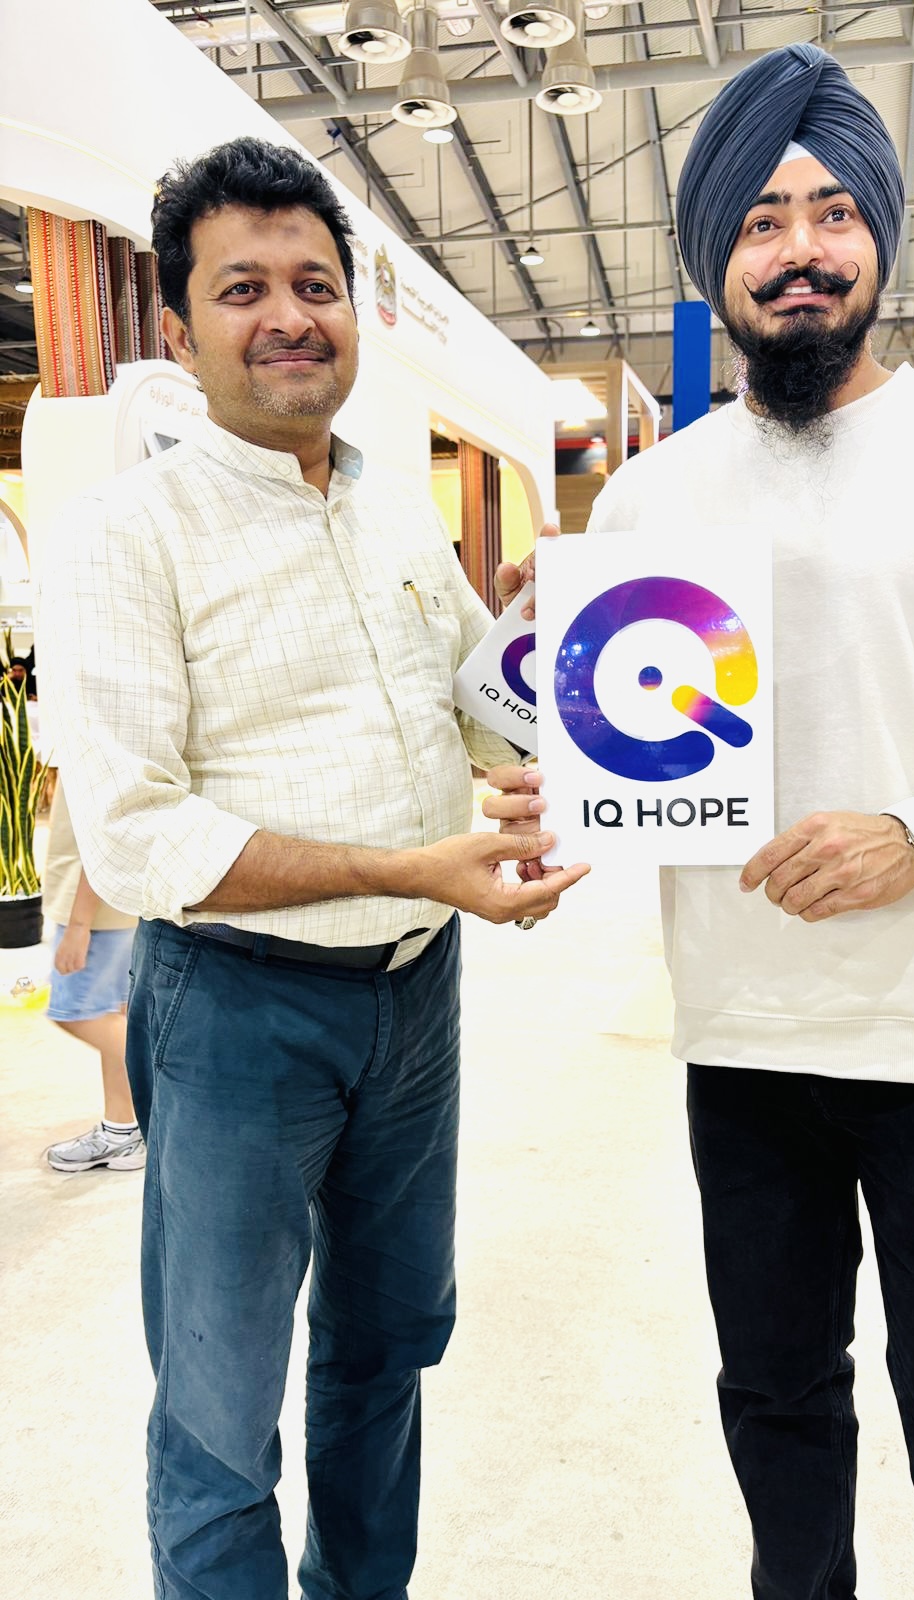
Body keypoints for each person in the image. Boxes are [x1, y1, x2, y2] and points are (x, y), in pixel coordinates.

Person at [485, 42, 914, 1600]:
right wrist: (564, 750)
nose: (799, 250)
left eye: (831, 213)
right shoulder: (649, 499)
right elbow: (647, 762)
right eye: (759, 222)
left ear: (877, 235)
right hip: (745, 1044)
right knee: (781, 1427)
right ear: (714, 259)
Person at [37, 137, 586, 1600]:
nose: (288, 315)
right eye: (243, 289)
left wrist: (543, 631)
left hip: (416, 999)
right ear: (178, 331)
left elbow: (480, 717)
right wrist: (417, 864)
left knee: (387, 1346)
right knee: (220, 1408)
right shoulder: (124, 536)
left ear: (353, 309)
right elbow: (141, 835)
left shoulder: (395, 499)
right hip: (236, 1014)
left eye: (315, 284)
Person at [42, 783, 143, 1172]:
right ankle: (122, 1131)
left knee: (76, 1013)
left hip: (93, 910)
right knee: (113, 1013)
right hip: (107, 904)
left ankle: (183, 1097)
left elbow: (103, 832)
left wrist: (80, 924)